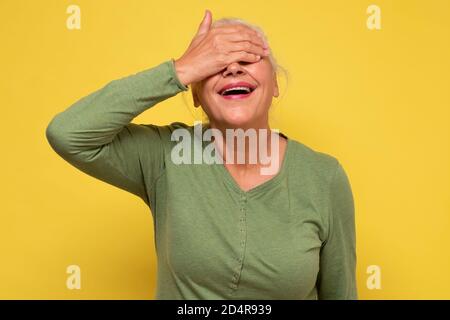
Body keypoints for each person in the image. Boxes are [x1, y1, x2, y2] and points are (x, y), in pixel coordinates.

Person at [45, 9, 357, 300]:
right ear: (195, 93)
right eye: (216, 63)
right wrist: (180, 70)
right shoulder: (166, 155)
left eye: (248, 58)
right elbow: (69, 133)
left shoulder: (324, 178)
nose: (233, 67)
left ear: (274, 83)